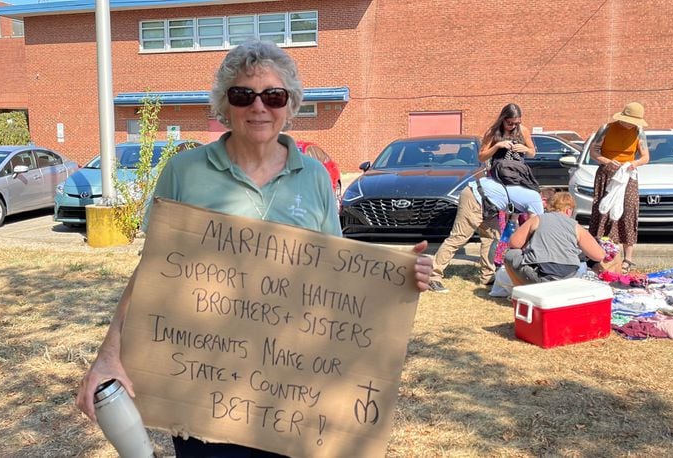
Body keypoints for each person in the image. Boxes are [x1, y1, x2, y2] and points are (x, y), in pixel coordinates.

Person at [75, 39, 434, 457]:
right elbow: (151, 274)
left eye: (273, 95)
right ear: (225, 105)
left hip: (292, 393)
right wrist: (108, 354)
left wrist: (395, 276)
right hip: (204, 387)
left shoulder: (315, 176)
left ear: (290, 104)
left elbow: (336, 278)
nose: (258, 107)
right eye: (243, 95)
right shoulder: (184, 172)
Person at [428, 175, 545, 293]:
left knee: (492, 238)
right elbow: (535, 229)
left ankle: (488, 276)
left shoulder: (526, 193)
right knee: (459, 237)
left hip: (489, 202)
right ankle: (432, 276)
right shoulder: (535, 199)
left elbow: (514, 220)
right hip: (475, 196)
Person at [587, 102, 650, 274]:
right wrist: (607, 161)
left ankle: (627, 258)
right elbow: (593, 152)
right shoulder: (606, 128)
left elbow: (645, 157)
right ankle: (598, 253)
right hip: (607, 174)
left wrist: (633, 163)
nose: (630, 124)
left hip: (627, 175)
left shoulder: (638, 132)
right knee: (603, 211)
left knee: (628, 212)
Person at [504, 192, 605, 286]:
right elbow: (599, 255)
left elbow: (514, 244)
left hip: (540, 276)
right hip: (568, 278)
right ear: (568, 210)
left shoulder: (537, 219)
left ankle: (521, 292)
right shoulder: (576, 227)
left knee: (510, 254)